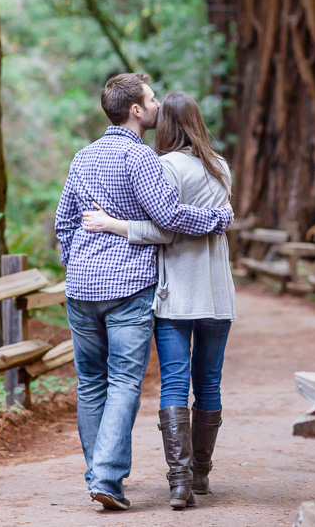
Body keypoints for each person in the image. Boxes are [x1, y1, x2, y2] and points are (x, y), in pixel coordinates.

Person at [54, 74, 233, 512]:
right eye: (151, 100)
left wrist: (78, 264)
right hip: (128, 288)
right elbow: (170, 219)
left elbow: (63, 224)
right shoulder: (143, 160)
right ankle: (107, 479)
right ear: (135, 110)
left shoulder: (82, 157)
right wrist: (218, 218)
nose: (156, 106)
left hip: (80, 290)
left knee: (91, 384)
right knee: (122, 384)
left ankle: (98, 475)